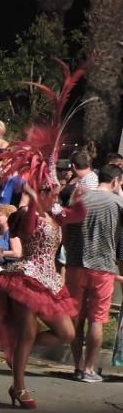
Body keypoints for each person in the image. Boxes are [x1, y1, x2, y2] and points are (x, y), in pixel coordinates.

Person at [0, 62, 90, 408]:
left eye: (55, 188)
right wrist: (34, 199)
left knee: (66, 333)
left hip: (50, 281)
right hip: (25, 277)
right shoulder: (29, 213)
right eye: (48, 187)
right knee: (25, 331)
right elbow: (24, 228)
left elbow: (77, 216)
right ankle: (18, 386)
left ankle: (15, 351)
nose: (54, 191)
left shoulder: (57, 214)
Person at [65, 164, 123, 382]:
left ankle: (78, 366)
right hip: (103, 266)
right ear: (116, 182)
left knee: (76, 319)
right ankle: (90, 369)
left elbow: (66, 227)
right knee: (97, 319)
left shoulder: (80, 199)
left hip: (75, 262)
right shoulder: (117, 202)